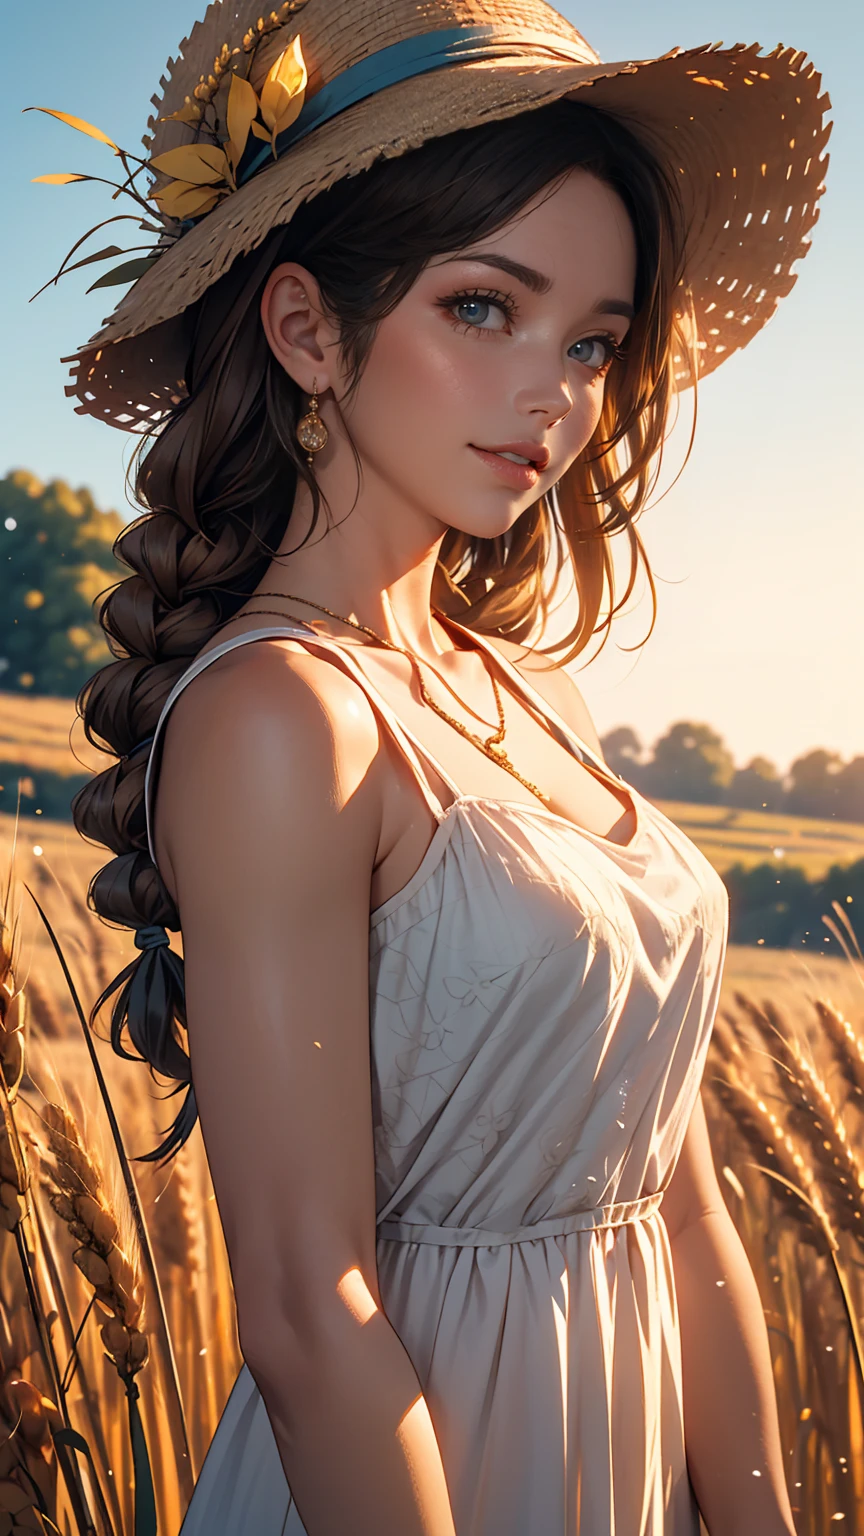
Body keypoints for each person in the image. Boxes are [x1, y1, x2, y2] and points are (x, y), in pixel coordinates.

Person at [45, 0, 830, 1530]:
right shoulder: (286, 720)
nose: (557, 391)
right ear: (306, 329)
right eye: (486, 308)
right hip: (424, 1477)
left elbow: (673, 1192)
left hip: (627, 1450)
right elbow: (305, 1311)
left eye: (593, 341)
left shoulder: (534, 700)